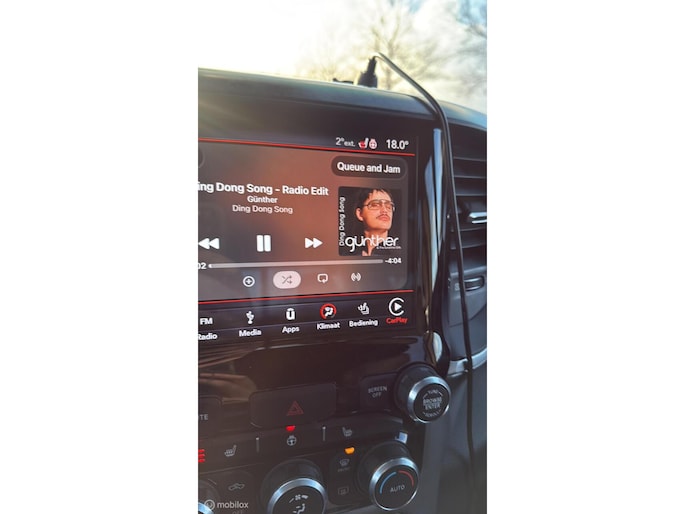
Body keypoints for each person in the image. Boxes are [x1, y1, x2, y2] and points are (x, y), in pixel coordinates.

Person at [353, 188, 396, 256]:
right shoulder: (348, 253)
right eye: (375, 205)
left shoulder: (402, 253)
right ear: (360, 214)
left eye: (388, 206)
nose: (384, 210)